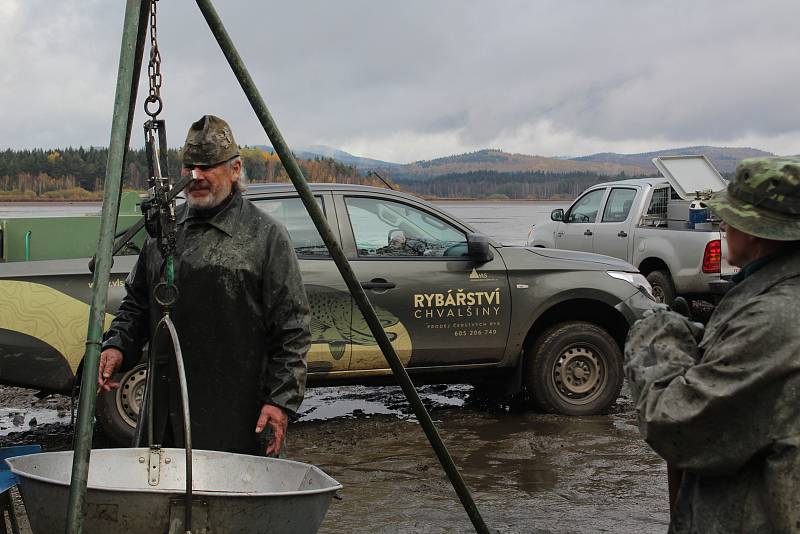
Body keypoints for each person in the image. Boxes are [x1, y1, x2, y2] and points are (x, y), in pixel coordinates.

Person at [98, 115, 311, 456]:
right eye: (189, 166)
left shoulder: (265, 237)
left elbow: (293, 330)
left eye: (208, 166)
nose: (196, 176)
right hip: (164, 415)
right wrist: (117, 345)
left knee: (234, 503)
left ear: (235, 169)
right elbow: (138, 303)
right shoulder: (164, 233)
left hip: (237, 415)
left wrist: (281, 401)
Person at [624, 156, 800, 533]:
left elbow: (677, 424)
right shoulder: (771, 298)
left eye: (730, 216)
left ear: (755, 231)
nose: (722, 224)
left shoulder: (778, 317)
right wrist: (702, 341)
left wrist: (655, 335)